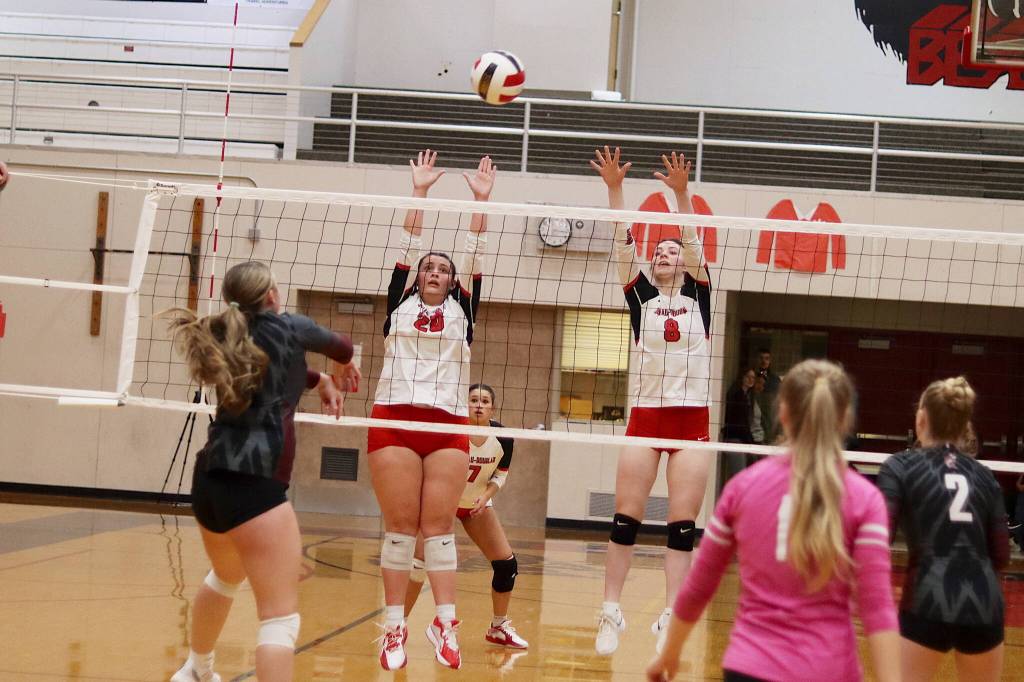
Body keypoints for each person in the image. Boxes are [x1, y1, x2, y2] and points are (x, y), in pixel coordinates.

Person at [646, 359, 900, 682]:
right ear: (845, 418)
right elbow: (877, 609)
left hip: (750, 667)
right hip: (828, 669)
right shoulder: (865, 499)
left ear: (782, 413)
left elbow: (699, 585)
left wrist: (669, 654)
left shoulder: (743, 488)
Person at [165, 261, 360, 682]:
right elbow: (342, 344)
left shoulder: (225, 334)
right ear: (271, 295)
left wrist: (320, 378)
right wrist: (342, 368)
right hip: (257, 487)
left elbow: (276, 368)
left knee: (225, 577)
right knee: (279, 620)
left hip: (210, 481)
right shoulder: (291, 327)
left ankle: (197, 670)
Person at [369, 149, 493, 671]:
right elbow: (407, 242)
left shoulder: (464, 311)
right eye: (428, 268)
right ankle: (393, 628)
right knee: (400, 529)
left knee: (437, 530)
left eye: (443, 269)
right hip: (394, 422)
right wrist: (418, 192)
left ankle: (445, 624)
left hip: (446, 427)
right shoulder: (398, 303)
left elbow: (476, 251)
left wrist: (481, 202)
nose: (436, 271)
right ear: (416, 278)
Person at [590, 147, 713, 655]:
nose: (664, 255)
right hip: (646, 418)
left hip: (692, 425)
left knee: (682, 530)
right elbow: (622, 243)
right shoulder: (639, 297)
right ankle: (610, 613)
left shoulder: (701, 297)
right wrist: (615, 190)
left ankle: (669, 618)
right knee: (625, 521)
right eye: (657, 251)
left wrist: (681, 194)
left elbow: (694, 239)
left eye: (672, 250)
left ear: (683, 259)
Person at [876, 377, 1009, 682]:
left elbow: (878, 537)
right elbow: (1001, 554)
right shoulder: (985, 476)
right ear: (965, 425)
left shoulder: (899, 467)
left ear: (920, 419)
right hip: (984, 604)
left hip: (926, 598)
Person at [404, 384, 528, 650]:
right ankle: (398, 625)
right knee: (418, 565)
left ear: (492, 407)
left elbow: (501, 474)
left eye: (484, 401)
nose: (479, 405)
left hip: (476, 505)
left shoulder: (504, 437)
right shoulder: (452, 431)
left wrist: (486, 496)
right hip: (442, 504)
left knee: (507, 565)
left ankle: (498, 627)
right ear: (465, 405)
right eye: (473, 400)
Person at [722, 368, 755, 444]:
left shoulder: (748, 395)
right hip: (736, 437)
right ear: (742, 377)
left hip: (742, 436)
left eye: (753, 377)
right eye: (748, 376)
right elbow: (740, 421)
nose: (751, 379)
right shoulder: (737, 395)